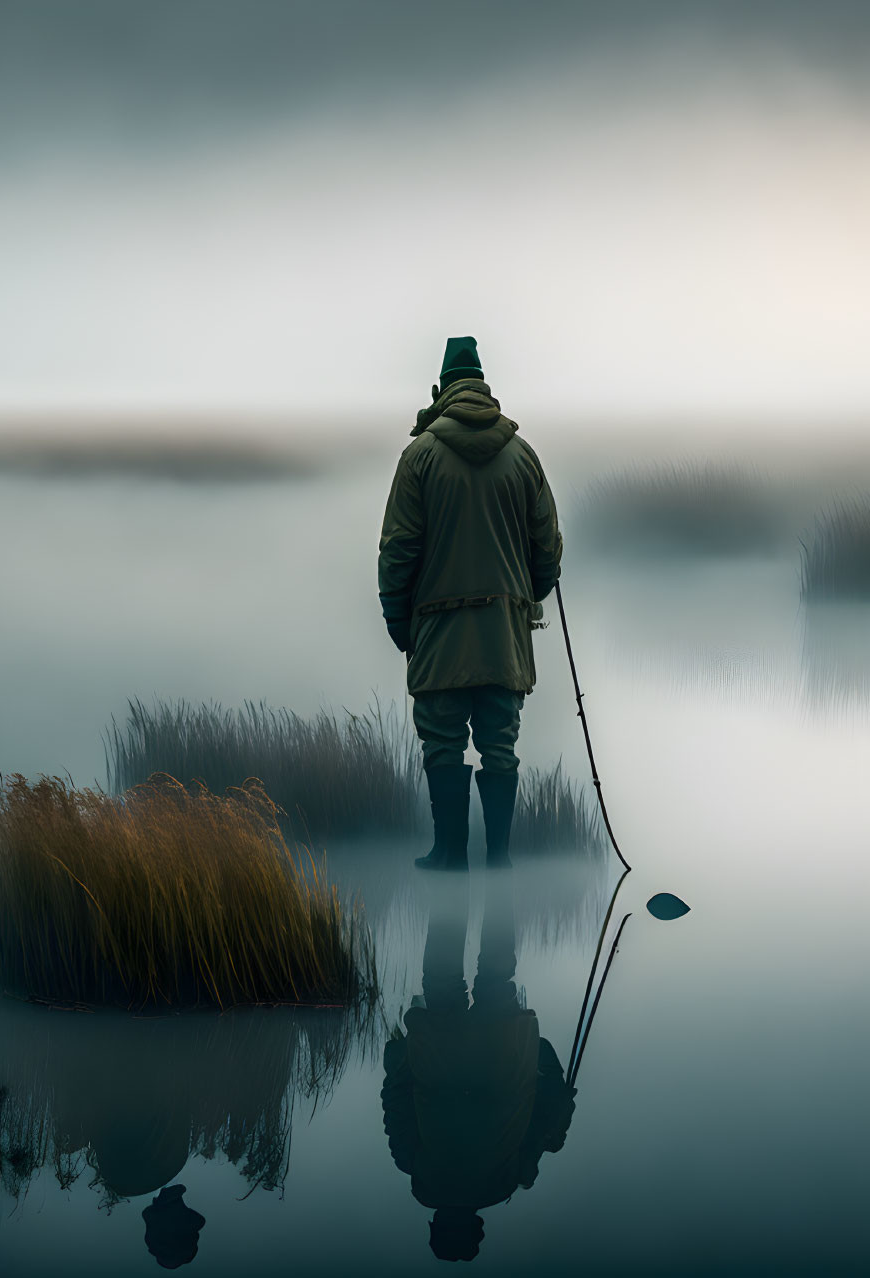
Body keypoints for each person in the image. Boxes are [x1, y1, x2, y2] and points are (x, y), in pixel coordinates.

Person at [378, 336, 564, 871]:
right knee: (499, 746)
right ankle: (499, 861)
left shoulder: (418, 458)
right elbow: (547, 550)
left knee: (442, 746)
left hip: (437, 636)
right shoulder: (523, 457)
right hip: (504, 637)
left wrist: (397, 617)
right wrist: (523, 598)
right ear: (483, 385)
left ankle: (449, 858)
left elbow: (399, 548)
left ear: (441, 388)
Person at [380, 875, 577, 1261]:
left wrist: (561, 1104)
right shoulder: (412, 1167)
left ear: (477, 1224)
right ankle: (451, 884)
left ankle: (500, 880)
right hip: (439, 1043)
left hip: (501, 1044)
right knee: (441, 975)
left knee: (496, 974)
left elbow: (546, 1115)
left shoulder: (511, 1179)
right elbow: (396, 1100)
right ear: (436, 1221)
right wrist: (408, 1050)